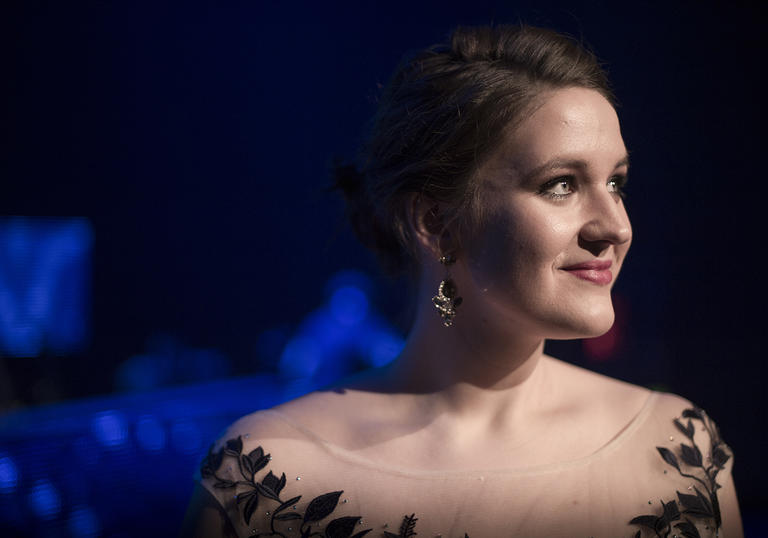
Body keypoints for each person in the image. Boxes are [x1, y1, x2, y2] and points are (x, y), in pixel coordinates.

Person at [181, 25, 742, 537]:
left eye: (616, 183)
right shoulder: (267, 475)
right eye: (561, 184)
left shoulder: (674, 449)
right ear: (435, 223)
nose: (615, 226)